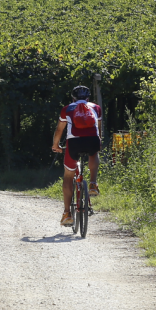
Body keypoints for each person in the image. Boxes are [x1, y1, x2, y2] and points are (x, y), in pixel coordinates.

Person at [51, 85, 102, 226]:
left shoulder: (67, 109)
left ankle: (67, 213)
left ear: (73, 98)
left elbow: (59, 129)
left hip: (74, 142)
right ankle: (93, 184)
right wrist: (99, 142)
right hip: (92, 139)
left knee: (68, 176)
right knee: (94, 153)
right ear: (88, 98)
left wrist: (56, 145)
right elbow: (99, 127)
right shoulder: (96, 107)